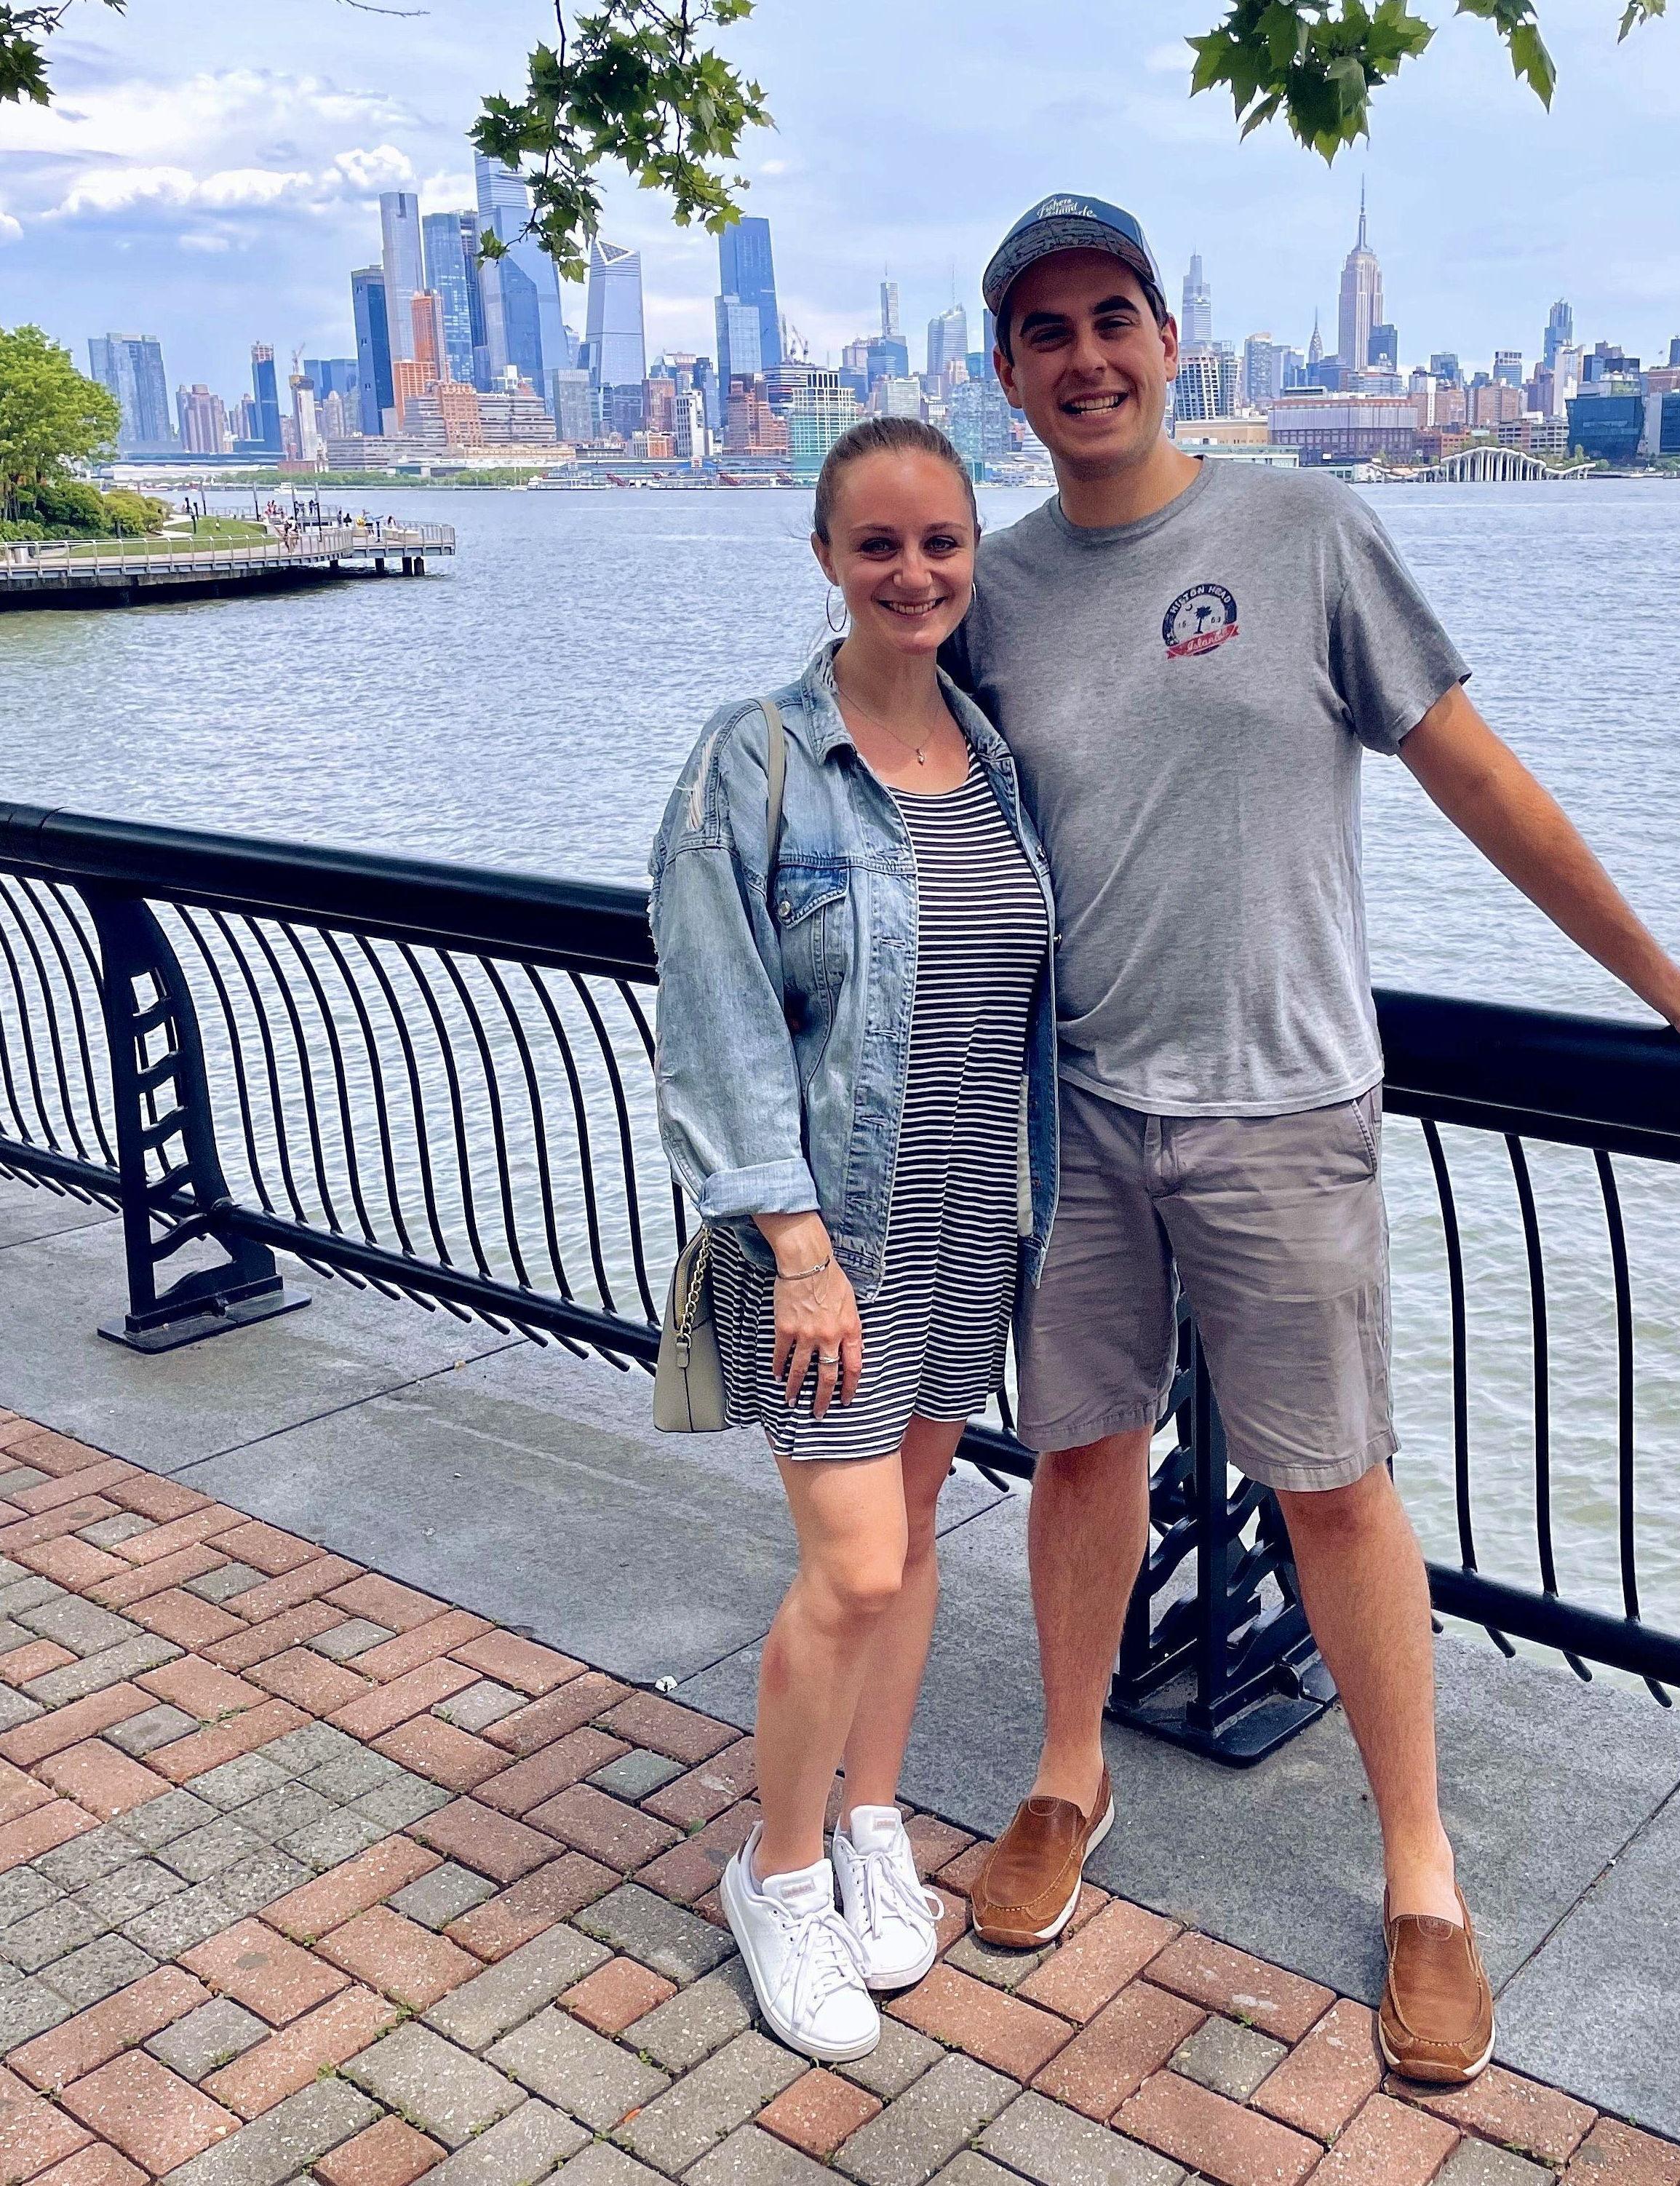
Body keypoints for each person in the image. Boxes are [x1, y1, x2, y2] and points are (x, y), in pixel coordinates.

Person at [945, 195, 1680, 2083]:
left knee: (1334, 1484)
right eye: (1046, 331)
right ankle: (1063, 1773)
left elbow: (1475, 772)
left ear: (1169, 338)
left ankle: (1420, 1874)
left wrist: (1663, 984)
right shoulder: (991, 594)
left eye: (1115, 315)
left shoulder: (1300, 531)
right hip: (1080, 1113)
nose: (1086, 354)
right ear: (1008, 375)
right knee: (1082, 1454)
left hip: (1282, 1110)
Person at [648, 416, 1060, 2062]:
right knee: (855, 1566)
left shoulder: (991, 754)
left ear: (974, 556)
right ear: (825, 555)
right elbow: (718, 1019)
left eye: (940, 543)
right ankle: (780, 1864)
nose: (912, 572)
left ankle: (874, 1814)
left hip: (970, 1211)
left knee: (910, 1542)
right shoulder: (751, 759)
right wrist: (797, 1245)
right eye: (876, 543)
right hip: (826, 1238)